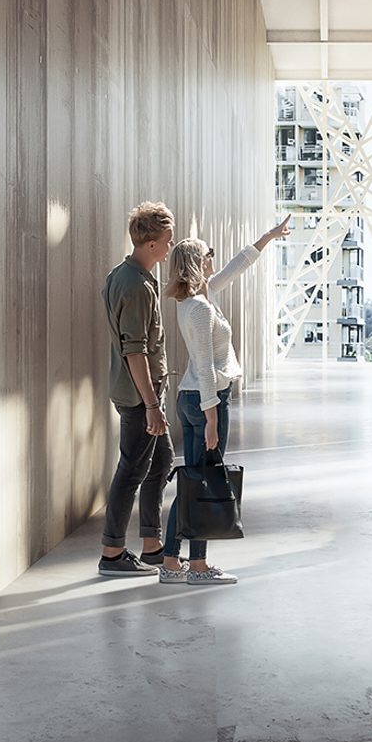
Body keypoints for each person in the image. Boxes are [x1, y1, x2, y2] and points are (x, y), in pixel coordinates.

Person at [160, 215, 290, 586]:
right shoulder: (199, 309)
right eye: (208, 254)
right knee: (204, 483)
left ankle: (172, 562)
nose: (214, 258)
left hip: (196, 398)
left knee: (194, 480)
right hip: (206, 399)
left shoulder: (201, 295)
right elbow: (202, 365)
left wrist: (269, 236)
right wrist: (213, 418)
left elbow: (239, 264)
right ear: (197, 264)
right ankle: (196, 567)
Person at [98, 201, 177, 578]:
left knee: (160, 461)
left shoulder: (126, 276)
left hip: (139, 393)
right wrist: (152, 405)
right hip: (138, 397)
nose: (169, 246)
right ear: (150, 244)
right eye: (166, 240)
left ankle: (152, 546)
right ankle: (112, 553)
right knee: (131, 469)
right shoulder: (137, 286)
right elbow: (135, 350)